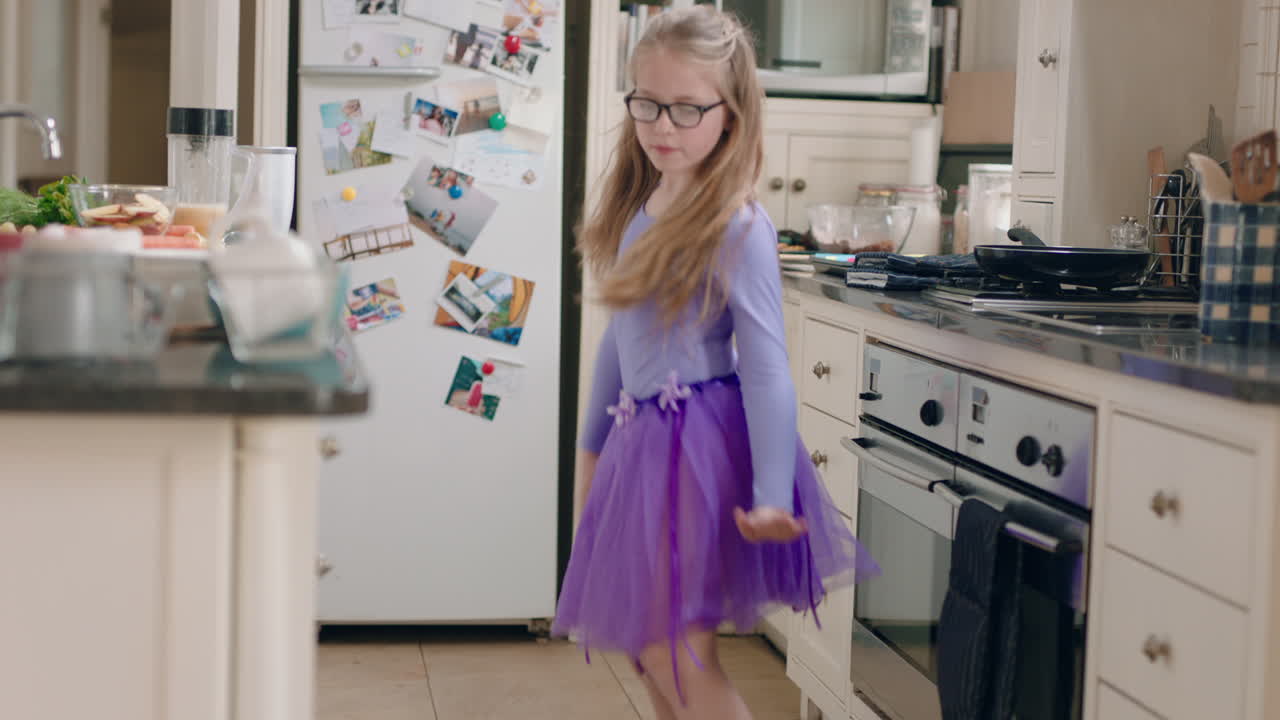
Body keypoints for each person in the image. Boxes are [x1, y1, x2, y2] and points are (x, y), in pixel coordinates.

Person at [552, 7, 876, 720]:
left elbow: (765, 368)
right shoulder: (644, 202)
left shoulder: (738, 223)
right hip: (641, 441)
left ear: (731, 115)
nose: (662, 126)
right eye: (647, 104)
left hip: (693, 450)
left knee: (675, 647)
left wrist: (767, 494)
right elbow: (622, 334)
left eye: (686, 109)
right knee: (648, 647)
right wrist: (591, 446)